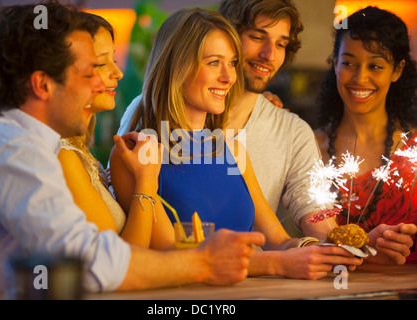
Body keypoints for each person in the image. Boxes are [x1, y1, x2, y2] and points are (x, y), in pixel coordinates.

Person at [0, 0, 265, 295]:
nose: (104, 81)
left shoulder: (34, 147)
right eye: (88, 71)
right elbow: (89, 261)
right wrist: (204, 263)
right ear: (43, 85)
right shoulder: (13, 150)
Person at [111, 7, 363, 280]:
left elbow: (277, 240)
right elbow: (170, 252)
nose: (228, 77)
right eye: (213, 62)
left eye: (231, 62)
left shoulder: (232, 148)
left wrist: (314, 250)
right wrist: (276, 264)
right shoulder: (138, 152)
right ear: (177, 66)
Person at [58, 12, 174, 249]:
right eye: (101, 63)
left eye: (115, 61)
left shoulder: (82, 156)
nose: (118, 73)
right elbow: (123, 262)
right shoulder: (63, 155)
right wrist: (146, 181)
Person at [314, 6, 417, 264]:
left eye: (375, 66)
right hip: (327, 289)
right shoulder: (309, 146)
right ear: (335, 62)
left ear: (397, 69)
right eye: (349, 63)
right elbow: (296, 239)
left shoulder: (413, 150)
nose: (360, 78)